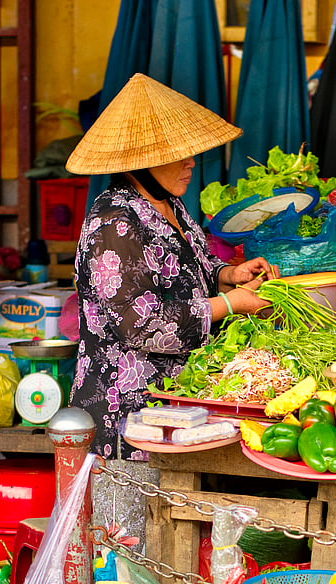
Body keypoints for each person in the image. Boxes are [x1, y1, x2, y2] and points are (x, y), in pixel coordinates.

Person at [64, 73, 279, 456]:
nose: (192, 162)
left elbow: (188, 264)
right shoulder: (114, 222)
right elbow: (140, 324)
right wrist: (232, 303)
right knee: (131, 515)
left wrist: (228, 274)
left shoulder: (168, 204)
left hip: (176, 410)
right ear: (144, 162)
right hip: (129, 414)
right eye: (179, 154)